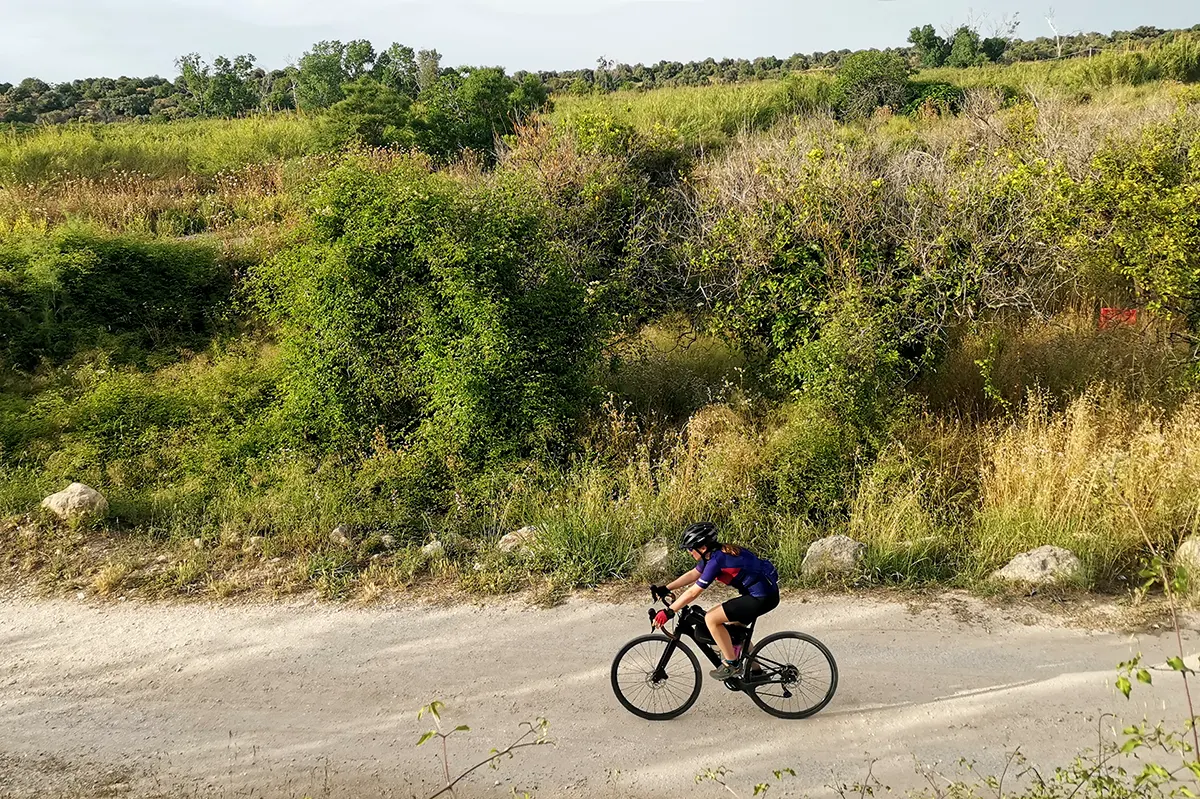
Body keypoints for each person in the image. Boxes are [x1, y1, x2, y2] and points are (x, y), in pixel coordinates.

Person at [651, 521, 780, 681]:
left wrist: (669, 611)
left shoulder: (717, 560)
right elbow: (694, 574)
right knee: (735, 633)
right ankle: (757, 673)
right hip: (764, 594)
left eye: (691, 548)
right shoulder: (715, 554)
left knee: (711, 618)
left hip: (761, 597)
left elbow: (693, 592)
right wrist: (665, 588)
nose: (690, 552)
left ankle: (732, 664)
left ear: (703, 547)